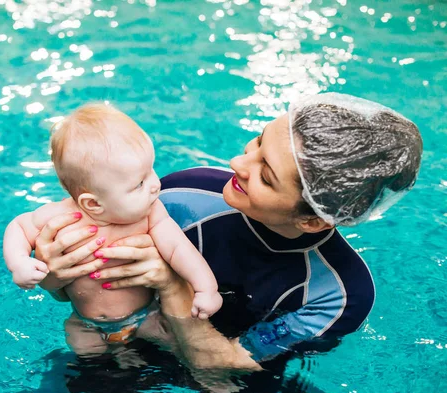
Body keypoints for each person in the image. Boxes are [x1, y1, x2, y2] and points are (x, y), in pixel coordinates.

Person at [32, 93, 423, 370]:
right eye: (257, 141)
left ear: (314, 220)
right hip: (119, 343)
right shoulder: (183, 192)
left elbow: (226, 368)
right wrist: (55, 273)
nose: (238, 161)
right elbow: (78, 289)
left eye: (265, 176)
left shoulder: (339, 293)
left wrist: (171, 285)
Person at [3, 103, 222, 355]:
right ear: (93, 203)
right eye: (139, 182)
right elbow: (18, 226)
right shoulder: (61, 217)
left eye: (151, 170)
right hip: (87, 324)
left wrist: (207, 289)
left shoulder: (151, 215)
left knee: (177, 348)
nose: (154, 184)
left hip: (146, 315)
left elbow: (180, 250)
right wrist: (19, 263)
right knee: (86, 354)